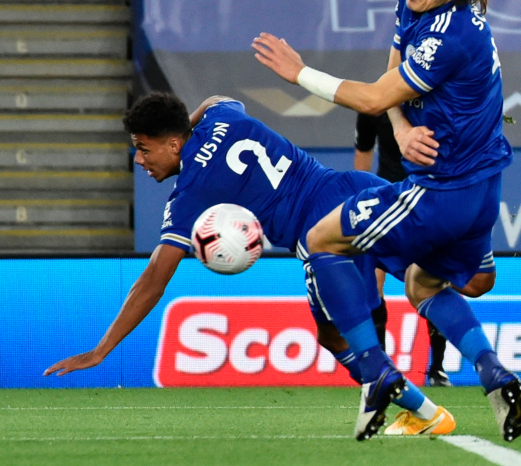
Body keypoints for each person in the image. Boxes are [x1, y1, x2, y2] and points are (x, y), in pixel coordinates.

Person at [253, 0, 521, 442]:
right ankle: (494, 372)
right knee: (423, 284)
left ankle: (376, 372)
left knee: (321, 240)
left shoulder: (456, 35)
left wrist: (300, 74)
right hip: (482, 190)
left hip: (443, 192)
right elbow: (393, 70)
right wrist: (401, 131)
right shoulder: (419, 5)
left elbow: (374, 98)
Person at [44, 92, 455, 437]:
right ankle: (442, 388)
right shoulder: (221, 119)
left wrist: (101, 351)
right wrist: (188, 131)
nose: (138, 159)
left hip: (323, 235)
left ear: (172, 144)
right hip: (356, 187)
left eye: (144, 148)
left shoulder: (190, 193)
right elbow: (218, 99)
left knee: (339, 336)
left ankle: (424, 411)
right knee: (438, 281)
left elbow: (153, 280)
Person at [355, 111, 497, 388]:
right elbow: (363, 156)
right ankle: (382, 371)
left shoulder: (436, 102)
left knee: (439, 280)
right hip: (390, 199)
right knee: (372, 282)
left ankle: (437, 367)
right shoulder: (374, 106)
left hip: (426, 201)